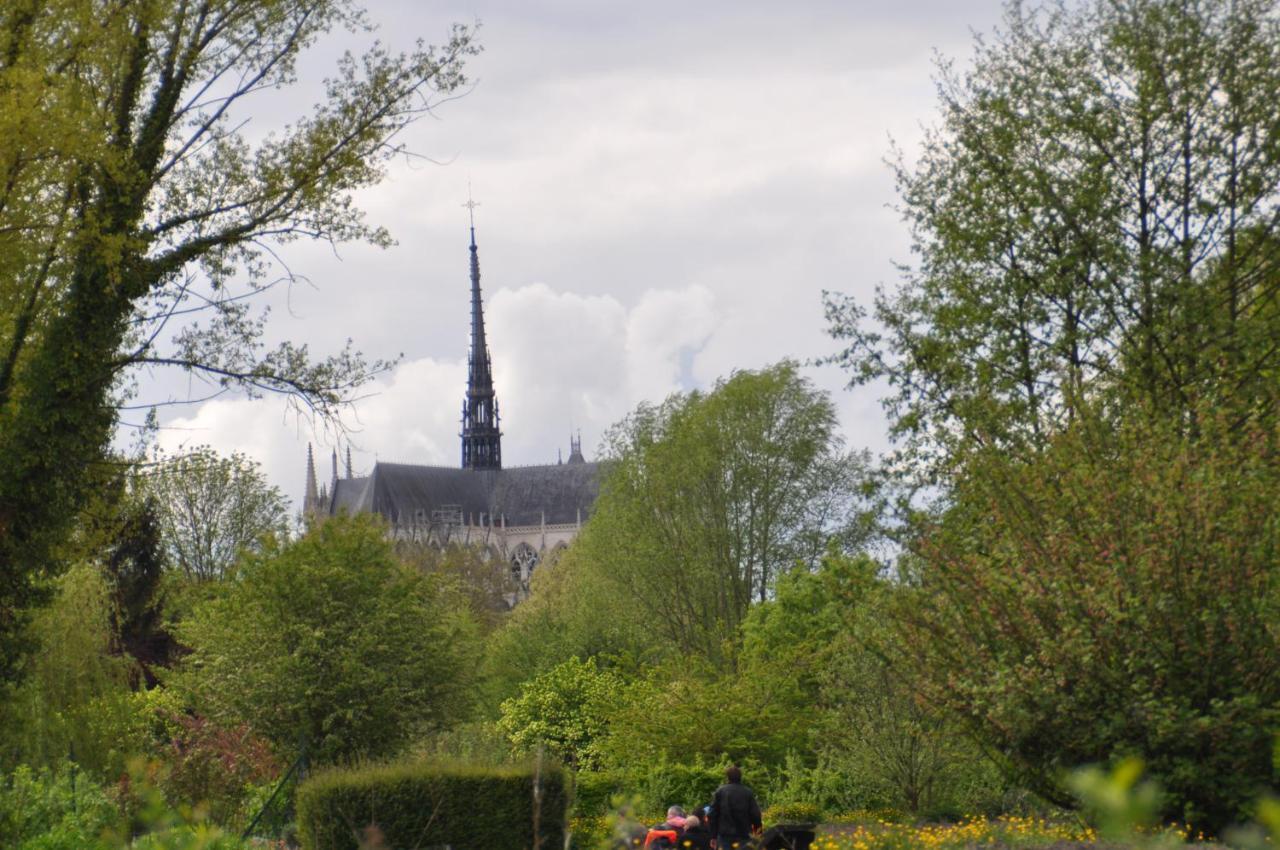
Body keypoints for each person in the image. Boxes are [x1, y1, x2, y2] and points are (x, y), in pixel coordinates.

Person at [707, 764, 762, 850]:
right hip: (744, 834)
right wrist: (758, 832)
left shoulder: (720, 792)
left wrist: (713, 835)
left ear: (727, 777)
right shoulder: (747, 792)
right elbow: (755, 814)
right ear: (740, 777)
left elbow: (712, 815)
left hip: (724, 835)